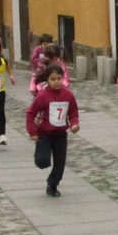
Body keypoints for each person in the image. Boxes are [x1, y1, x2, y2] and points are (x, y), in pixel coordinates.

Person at [25, 64, 80, 197]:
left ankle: (53, 185)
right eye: (53, 79)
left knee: (60, 162)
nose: (56, 82)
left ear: (63, 78)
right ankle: (40, 157)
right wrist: (32, 132)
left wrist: (74, 124)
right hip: (44, 133)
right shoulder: (43, 96)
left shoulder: (68, 95)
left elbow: (73, 112)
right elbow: (30, 113)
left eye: (59, 78)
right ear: (47, 80)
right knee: (43, 161)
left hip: (61, 134)